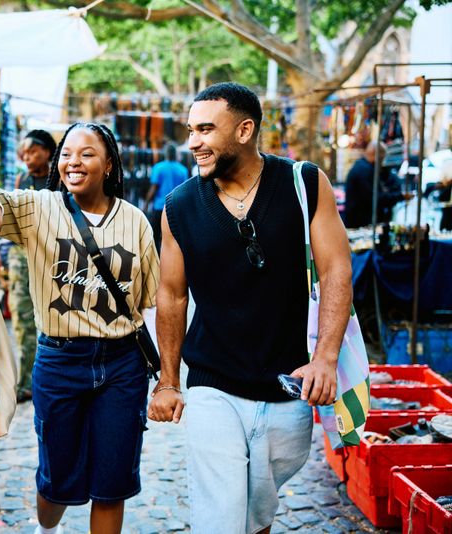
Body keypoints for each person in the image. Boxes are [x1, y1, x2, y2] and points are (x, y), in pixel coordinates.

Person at [148, 83, 353, 533]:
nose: (193, 142)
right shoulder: (179, 206)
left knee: (257, 512)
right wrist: (168, 381)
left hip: (288, 384)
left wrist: (326, 359)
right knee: (220, 515)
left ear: (245, 129)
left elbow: (336, 269)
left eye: (205, 129)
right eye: (190, 130)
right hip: (211, 384)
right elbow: (171, 294)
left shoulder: (303, 184)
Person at [0, 123, 160, 534]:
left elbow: (147, 300)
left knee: (112, 485)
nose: (73, 162)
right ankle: (47, 529)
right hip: (59, 361)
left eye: (87, 153)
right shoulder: (39, 208)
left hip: (122, 364)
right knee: (56, 480)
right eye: (67, 153)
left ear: (109, 165)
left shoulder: (136, 222)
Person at [9, 129, 57, 402]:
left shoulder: (60, 180)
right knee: (22, 320)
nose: (27, 158)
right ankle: (25, 382)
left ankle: (49, 375)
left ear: (47, 152)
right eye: (24, 154)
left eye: (32, 152)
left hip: (51, 257)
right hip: (22, 257)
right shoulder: (22, 179)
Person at [343, 140, 413, 228]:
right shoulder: (364, 170)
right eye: (382, 156)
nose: (383, 160)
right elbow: (374, 199)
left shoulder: (363, 167)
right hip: (359, 223)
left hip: (359, 221)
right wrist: (400, 196)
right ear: (377, 155)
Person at [144, 141, 190, 250]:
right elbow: (185, 191)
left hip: (159, 207)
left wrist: (146, 204)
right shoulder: (183, 170)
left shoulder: (158, 167)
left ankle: (157, 259)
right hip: (176, 208)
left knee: (154, 235)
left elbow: (153, 188)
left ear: (166, 153)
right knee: (174, 238)